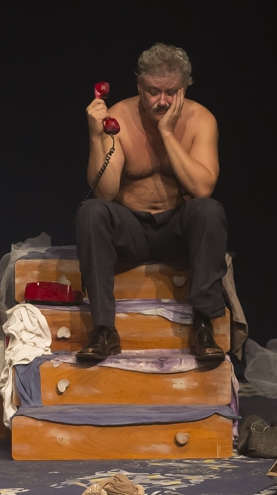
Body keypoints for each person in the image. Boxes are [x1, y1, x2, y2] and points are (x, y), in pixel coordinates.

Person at [75, 43, 227, 362]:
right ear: (139, 86)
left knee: (208, 210)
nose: (162, 101)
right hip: (131, 231)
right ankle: (104, 329)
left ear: (184, 88)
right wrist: (96, 137)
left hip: (177, 232)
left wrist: (167, 133)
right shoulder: (119, 117)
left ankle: (203, 326)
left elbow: (202, 188)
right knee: (91, 211)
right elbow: (105, 192)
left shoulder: (201, 120)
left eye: (171, 92)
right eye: (154, 91)